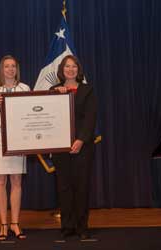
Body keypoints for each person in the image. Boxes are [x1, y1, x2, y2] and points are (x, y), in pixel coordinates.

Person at [50, 55, 97, 241]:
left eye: (74, 66)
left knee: (82, 186)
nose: (70, 69)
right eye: (67, 66)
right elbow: (48, 118)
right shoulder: (54, 90)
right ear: (62, 70)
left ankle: (82, 226)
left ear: (79, 69)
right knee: (64, 187)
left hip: (83, 147)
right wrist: (56, 96)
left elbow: (90, 118)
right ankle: (67, 226)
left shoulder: (88, 90)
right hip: (60, 147)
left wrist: (80, 140)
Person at [0, 55, 30, 240]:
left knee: (16, 182)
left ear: (17, 69)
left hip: (18, 138)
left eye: (13, 66)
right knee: (0, 182)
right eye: (7, 66)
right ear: (1, 69)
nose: (10, 69)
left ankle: (15, 223)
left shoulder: (25, 88)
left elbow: (29, 114)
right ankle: (3, 224)